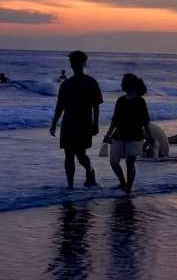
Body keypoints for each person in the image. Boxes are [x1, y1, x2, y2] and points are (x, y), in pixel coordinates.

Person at [50, 51, 102, 189]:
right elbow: (60, 105)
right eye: (73, 63)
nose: (75, 66)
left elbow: (96, 105)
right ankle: (70, 186)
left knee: (80, 154)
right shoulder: (66, 84)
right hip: (68, 123)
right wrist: (54, 122)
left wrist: (95, 124)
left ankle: (89, 169)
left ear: (84, 64)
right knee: (68, 155)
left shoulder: (91, 82)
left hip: (84, 123)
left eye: (78, 63)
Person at [102, 74, 151, 194]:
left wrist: (150, 136)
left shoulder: (140, 101)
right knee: (113, 162)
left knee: (130, 163)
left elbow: (145, 121)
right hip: (119, 134)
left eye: (123, 82)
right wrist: (108, 134)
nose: (121, 84)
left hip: (135, 136)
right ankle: (122, 181)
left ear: (130, 85)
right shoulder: (120, 100)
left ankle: (129, 188)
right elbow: (114, 120)